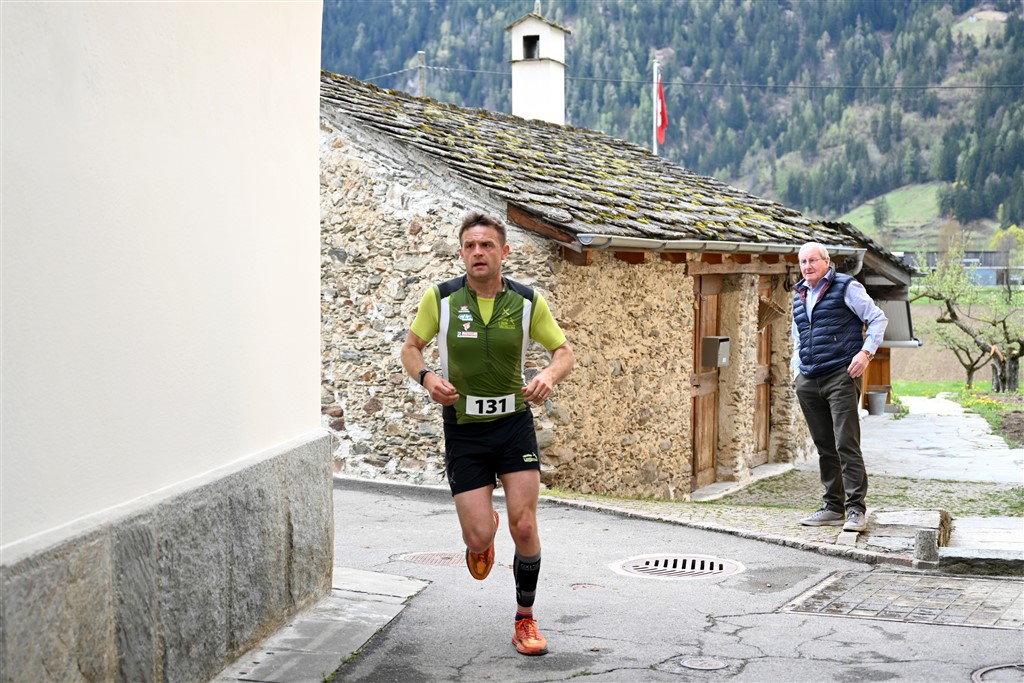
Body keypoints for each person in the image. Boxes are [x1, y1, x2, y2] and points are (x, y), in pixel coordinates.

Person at [400, 211, 574, 656]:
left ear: (504, 252)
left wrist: (548, 376)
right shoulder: (441, 299)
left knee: (525, 524)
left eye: (487, 245)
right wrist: (427, 379)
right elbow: (411, 348)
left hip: (513, 424)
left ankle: (525, 619)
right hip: (465, 429)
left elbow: (563, 353)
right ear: (461, 253)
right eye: (471, 246)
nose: (478, 252)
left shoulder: (527, 301)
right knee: (477, 539)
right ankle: (485, 529)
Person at [792, 242, 887, 533]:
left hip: (840, 374)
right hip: (808, 378)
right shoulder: (799, 294)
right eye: (803, 261)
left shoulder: (847, 286)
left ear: (826, 261)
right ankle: (833, 507)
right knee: (825, 445)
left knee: (846, 442)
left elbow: (877, 319)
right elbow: (798, 336)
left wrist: (866, 353)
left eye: (812, 260)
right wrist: (797, 372)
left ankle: (856, 509)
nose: (807, 266)